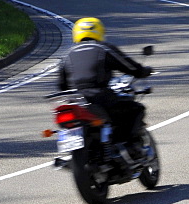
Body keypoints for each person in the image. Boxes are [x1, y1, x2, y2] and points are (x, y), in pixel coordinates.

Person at [57, 17, 152, 151]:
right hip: (99, 97)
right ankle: (126, 148)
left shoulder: (67, 55)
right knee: (135, 109)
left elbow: (61, 85)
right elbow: (130, 67)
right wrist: (143, 71)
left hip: (74, 101)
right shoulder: (104, 49)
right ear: (99, 32)